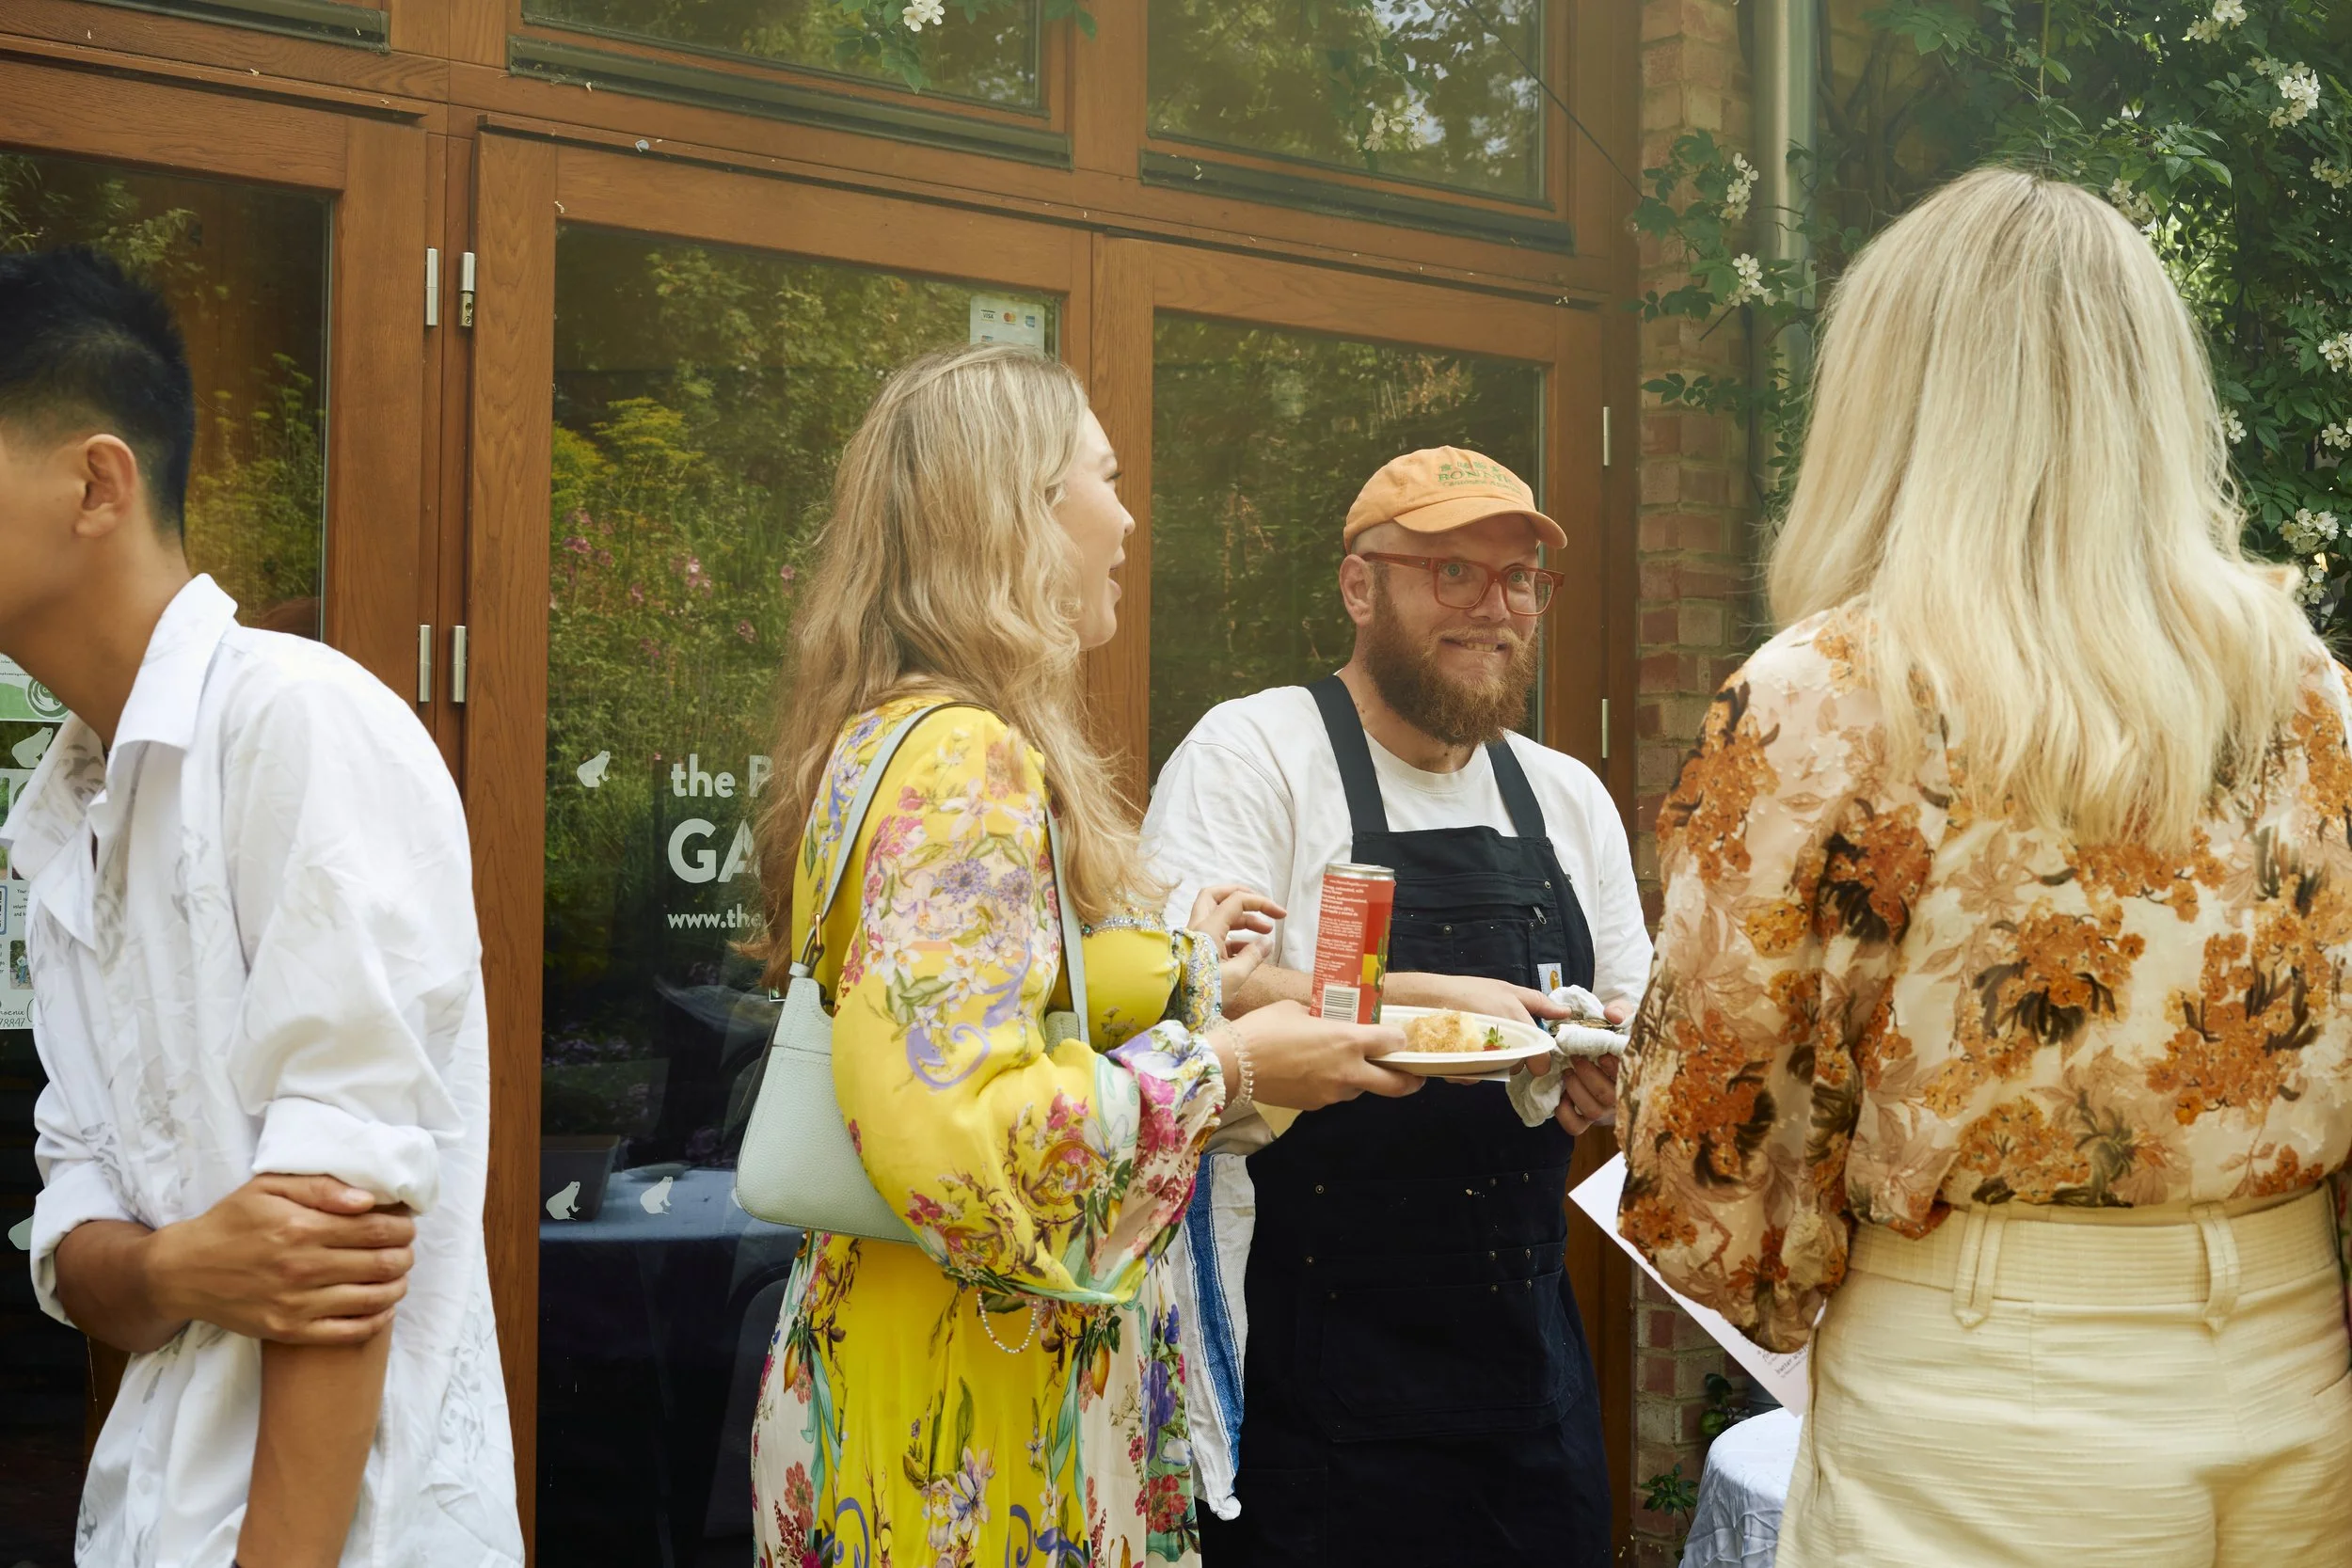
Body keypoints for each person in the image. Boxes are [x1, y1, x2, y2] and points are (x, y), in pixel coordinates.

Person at [1618, 166, 2352, 1568]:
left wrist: (1805, 1276)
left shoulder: (1833, 693)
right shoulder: (2312, 693)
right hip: (2289, 1362)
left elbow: (1706, 1155)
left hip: (1987, 1388)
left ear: (1893, 397)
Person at [743, 342, 1424, 1568]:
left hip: (908, 1367)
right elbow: (963, 1141)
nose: (1127, 515)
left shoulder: (886, 733)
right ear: (1020, 511)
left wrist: (1169, 967)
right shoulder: (966, 761)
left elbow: (962, 993)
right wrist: (1225, 1064)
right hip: (960, 1430)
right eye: (1103, 476)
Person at [3, 246, 521, 1566]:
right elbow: (75, 1249)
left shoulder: (295, 722)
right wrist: (175, 1267)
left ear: (96, 481)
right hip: (154, 1516)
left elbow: (334, 1247)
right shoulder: (62, 816)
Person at [1143, 447, 1650, 1567]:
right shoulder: (1256, 750)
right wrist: (1417, 998)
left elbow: (1629, 1010)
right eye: (1452, 572)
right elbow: (1179, 988)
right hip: (1304, 1365)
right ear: (1359, 585)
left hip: (1523, 1368)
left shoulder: (1566, 796)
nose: (1495, 607)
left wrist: (1609, 1070)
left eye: (1519, 578)